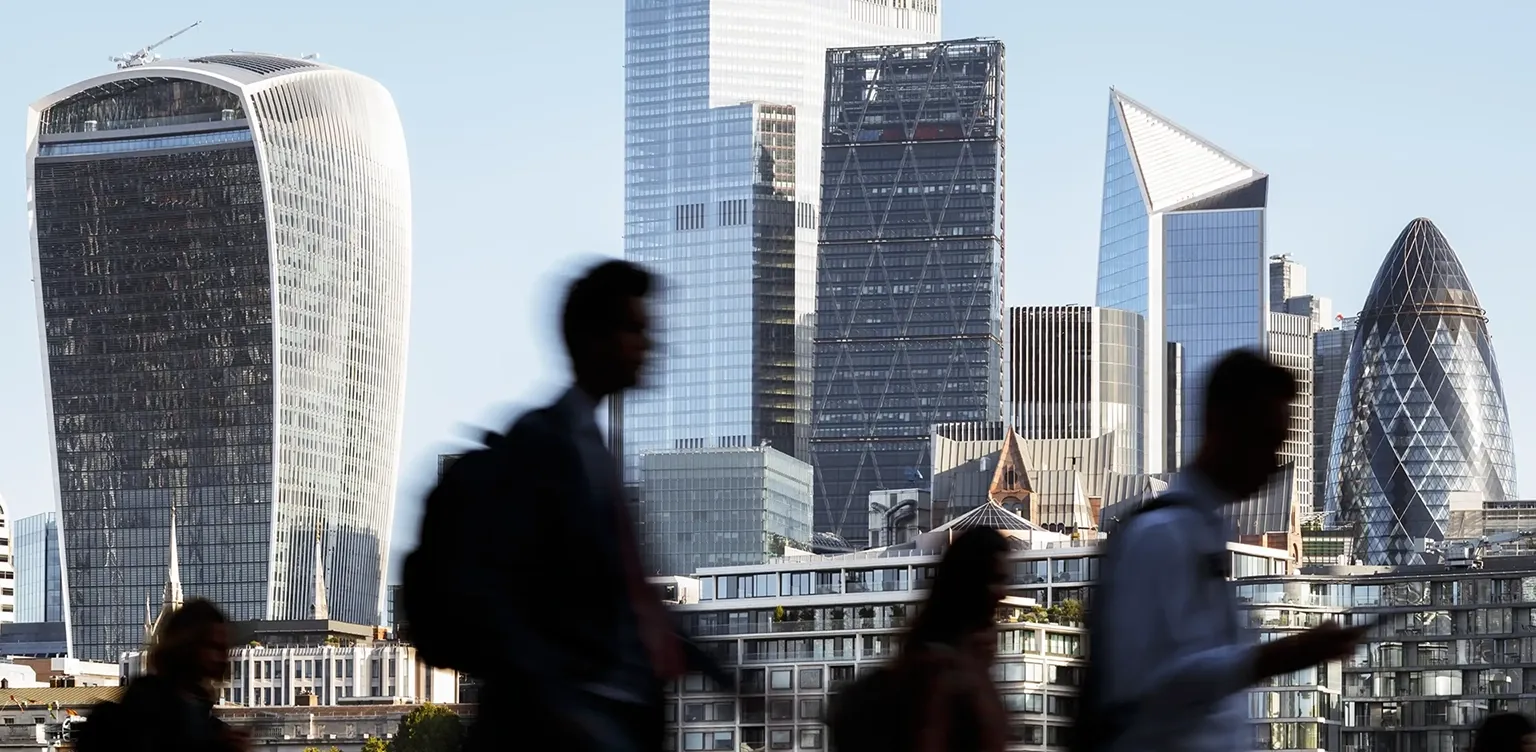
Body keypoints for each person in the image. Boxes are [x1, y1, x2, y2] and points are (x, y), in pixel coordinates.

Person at [462, 260, 727, 752]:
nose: (650, 346)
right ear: (592, 339)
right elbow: (511, 599)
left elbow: (628, 598)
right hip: (560, 730)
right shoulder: (544, 444)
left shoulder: (593, 448)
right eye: (635, 329)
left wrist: (719, 671)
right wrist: (563, 710)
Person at [1082, 350, 1365, 752]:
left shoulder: (1205, 532)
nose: (1274, 464)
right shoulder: (1159, 535)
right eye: (1266, 441)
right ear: (1224, 427)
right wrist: (1278, 656)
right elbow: (1143, 686)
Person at [831, 526, 1010, 752]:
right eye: (996, 579)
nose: (1003, 592)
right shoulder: (940, 670)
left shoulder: (965, 660)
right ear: (969, 582)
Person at [86, 598, 246, 752]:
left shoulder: (206, 722)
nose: (223, 658)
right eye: (214, 647)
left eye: (225, 648)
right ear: (186, 647)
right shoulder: (138, 718)